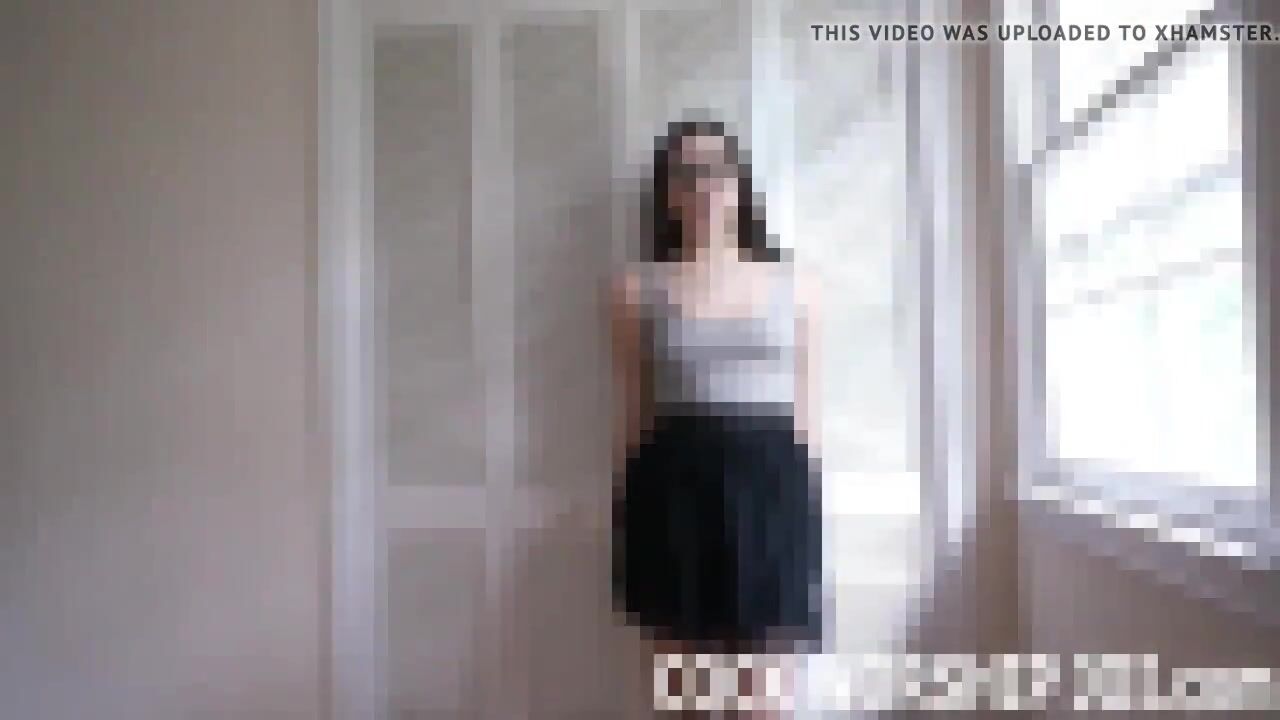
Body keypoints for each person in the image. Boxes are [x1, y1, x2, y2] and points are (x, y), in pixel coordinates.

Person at [610, 118, 824, 717]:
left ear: (739, 185)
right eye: (685, 173)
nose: (703, 186)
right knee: (685, 697)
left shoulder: (799, 287)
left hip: (773, 498)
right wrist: (628, 517)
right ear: (668, 195)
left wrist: (805, 518)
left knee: (763, 700)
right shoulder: (634, 290)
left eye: (716, 171)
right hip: (674, 497)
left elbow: (808, 415)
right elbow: (634, 413)